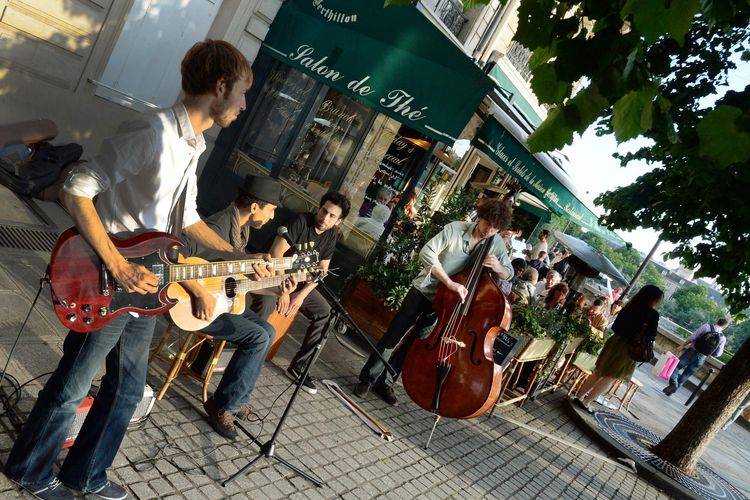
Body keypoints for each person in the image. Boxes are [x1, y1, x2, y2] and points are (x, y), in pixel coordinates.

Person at [4, 40, 261, 500]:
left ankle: (85, 475)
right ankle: (30, 470)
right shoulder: (153, 131)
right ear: (220, 87)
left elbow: (186, 218)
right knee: (74, 383)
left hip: (146, 288)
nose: (243, 106)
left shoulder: (192, 143)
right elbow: (77, 188)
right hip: (112, 281)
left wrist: (235, 257)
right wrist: (118, 265)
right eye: (241, 93)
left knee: (126, 391)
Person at [355, 198, 514, 405]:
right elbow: (427, 252)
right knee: (394, 336)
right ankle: (368, 378)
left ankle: (386, 382)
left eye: (495, 228)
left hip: (448, 306)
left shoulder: (496, 243)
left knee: (416, 344)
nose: (489, 230)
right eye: (487, 224)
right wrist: (449, 283)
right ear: (480, 217)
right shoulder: (455, 229)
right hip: (424, 291)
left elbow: (509, 273)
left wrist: (499, 268)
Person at [183, 175, 296, 439]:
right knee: (257, 337)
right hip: (193, 304)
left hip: (221, 300)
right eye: (271, 209)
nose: (272, 217)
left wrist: (278, 287)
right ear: (255, 206)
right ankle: (223, 406)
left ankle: (236, 398)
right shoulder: (219, 226)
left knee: (267, 331)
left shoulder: (240, 229)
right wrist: (198, 292)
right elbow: (176, 258)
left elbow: (235, 284)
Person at [256, 191, 350, 395]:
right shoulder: (301, 221)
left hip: (298, 283)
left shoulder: (331, 235)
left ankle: (298, 367)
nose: (325, 218)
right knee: (267, 304)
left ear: (339, 221)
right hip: (272, 275)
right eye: (324, 211)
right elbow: (276, 254)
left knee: (325, 314)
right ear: (319, 207)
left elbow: (322, 270)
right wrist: (283, 291)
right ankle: (246, 354)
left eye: (332, 216)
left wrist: (301, 296)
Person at [574, 285, 664, 411]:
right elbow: (651, 335)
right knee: (610, 376)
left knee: (599, 371)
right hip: (629, 348)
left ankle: (578, 396)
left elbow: (616, 326)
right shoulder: (653, 314)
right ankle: (587, 402)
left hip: (615, 341)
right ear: (654, 299)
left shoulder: (629, 306)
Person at [663, 318, 728, 396]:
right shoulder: (722, 338)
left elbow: (693, 337)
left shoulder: (706, 327)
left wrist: (683, 345)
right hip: (702, 358)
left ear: (716, 321)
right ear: (725, 327)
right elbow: (718, 354)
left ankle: (673, 384)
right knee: (686, 374)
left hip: (691, 352)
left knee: (675, 367)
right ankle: (670, 392)